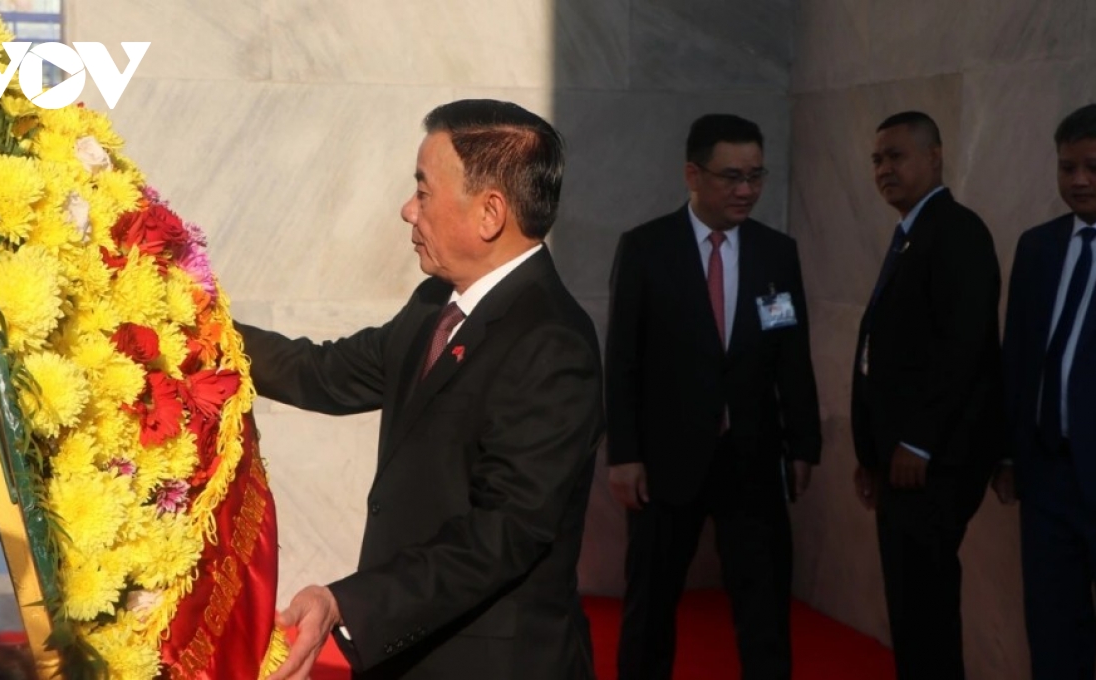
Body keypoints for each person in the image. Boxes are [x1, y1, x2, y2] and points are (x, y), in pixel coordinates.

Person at [241, 99, 605, 680]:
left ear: (490, 213)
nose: (408, 210)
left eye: (424, 190)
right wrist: (191, 325)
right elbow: (324, 372)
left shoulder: (553, 342)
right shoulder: (435, 304)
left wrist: (347, 601)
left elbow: (501, 535)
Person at [606, 113, 822, 680]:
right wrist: (624, 455)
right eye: (731, 177)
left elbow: (792, 354)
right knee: (650, 606)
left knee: (765, 609)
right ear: (692, 175)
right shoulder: (646, 249)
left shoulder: (778, 253)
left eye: (756, 176)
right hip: (664, 462)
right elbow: (622, 361)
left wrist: (803, 444)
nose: (746, 190)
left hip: (753, 458)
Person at [850, 111, 1002, 680]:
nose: (884, 169)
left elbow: (964, 351)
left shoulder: (956, 231)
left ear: (934, 157)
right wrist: (870, 453)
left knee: (927, 605)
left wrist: (918, 442)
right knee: (910, 606)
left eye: (897, 156)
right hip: (898, 463)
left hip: (931, 465)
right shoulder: (913, 233)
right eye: (877, 159)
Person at [997, 103, 1096, 679]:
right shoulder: (1038, 246)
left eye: (1095, 166)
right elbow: (1016, 356)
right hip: (1047, 480)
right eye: (1067, 167)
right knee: (1053, 635)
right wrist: (1010, 452)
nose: (1079, 180)